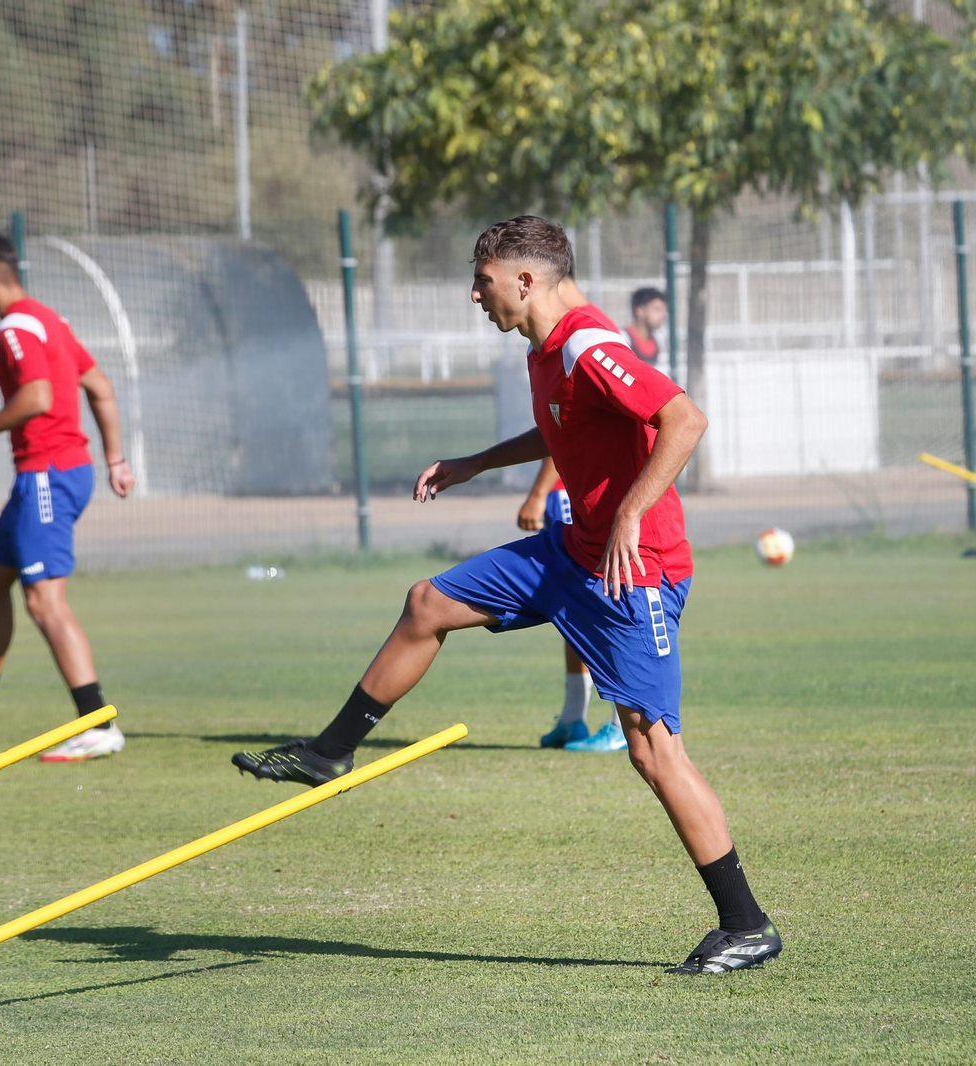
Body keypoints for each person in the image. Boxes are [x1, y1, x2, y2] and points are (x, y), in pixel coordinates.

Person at [232, 216, 781, 975]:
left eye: (482, 279)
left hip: (635, 570)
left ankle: (746, 924)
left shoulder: (591, 344)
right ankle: (330, 753)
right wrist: (475, 463)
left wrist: (627, 513)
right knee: (427, 604)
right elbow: (562, 431)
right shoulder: (544, 351)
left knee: (655, 753)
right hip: (572, 553)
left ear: (524, 280)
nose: (474, 293)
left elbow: (683, 419)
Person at [0, 231, 134, 763]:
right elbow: (101, 386)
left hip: (46, 474)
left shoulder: (15, 330)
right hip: (59, 472)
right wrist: (115, 460)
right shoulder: (51, 319)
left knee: (45, 600)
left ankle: (97, 723)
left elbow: (38, 397)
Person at [520, 275, 625, 753]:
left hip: (581, 497)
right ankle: (573, 718)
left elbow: (566, 426)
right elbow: (557, 422)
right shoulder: (550, 339)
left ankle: (619, 722)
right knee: (569, 609)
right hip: (575, 497)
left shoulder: (584, 337)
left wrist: (537, 492)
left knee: (599, 603)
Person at [624, 287, 668, 374]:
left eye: (664, 310)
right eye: (657, 309)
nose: (663, 315)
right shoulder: (624, 339)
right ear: (639, 311)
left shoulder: (658, 340)